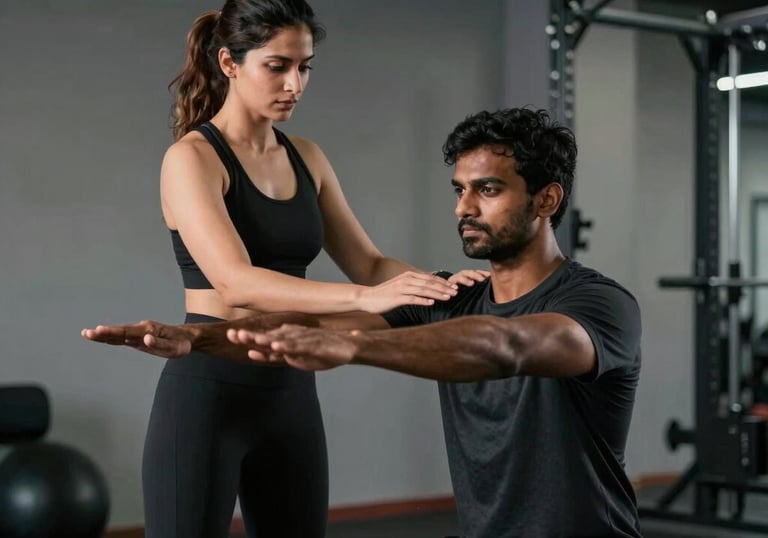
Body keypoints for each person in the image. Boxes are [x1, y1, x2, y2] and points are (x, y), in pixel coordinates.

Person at [84, 107, 642, 538]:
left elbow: (507, 345)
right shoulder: (453, 294)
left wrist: (355, 350)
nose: (463, 207)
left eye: (488, 190)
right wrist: (196, 336)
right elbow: (318, 329)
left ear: (546, 199)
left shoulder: (598, 305)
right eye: (460, 190)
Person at [130, 1, 486, 537]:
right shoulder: (192, 158)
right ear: (230, 63)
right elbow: (235, 280)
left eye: (304, 67)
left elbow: (367, 263)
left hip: (291, 391)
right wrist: (365, 299)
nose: (294, 83)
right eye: (277, 65)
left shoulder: (307, 157)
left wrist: (438, 287)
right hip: (208, 392)